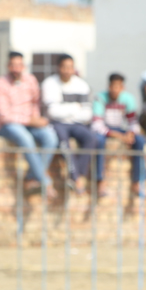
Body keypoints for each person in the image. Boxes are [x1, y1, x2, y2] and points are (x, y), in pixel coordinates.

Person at [0, 51, 59, 201]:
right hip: (8, 126)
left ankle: (32, 178)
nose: (16, 69)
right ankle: (46, 183)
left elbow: (35, 104)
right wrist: (30, 121)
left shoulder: (30, 80)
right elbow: (4, 116)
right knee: (25, 138)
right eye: (13, 65)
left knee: (50, 137)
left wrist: (36, 120)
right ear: (7, 66)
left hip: (30, 124)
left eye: (19, 65)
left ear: (24, 66)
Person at [42, 54, 97, 194]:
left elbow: (87, 114)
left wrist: (65, 109)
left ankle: (78, 176)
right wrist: (76, 107)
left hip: (77, 124)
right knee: (64, 142)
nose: (67, 71)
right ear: (58, 68)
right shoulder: (50, 84)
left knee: (91, 139)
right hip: (58, 124)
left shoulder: (82, 85)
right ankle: (76, 177)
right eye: (64, 67)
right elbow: (53, 112)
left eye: (70, 67)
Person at [92, 73, 146, 198]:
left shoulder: (128, 99)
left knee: (140, 141)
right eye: (113, 86)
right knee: (98, 141)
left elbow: (133, 122)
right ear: (109, 86)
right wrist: (120, 136)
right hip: (105, 130)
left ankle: (138, 181)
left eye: (118, 87)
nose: (115, 90)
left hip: (121, 129)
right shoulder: (100, 98)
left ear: (122, 88)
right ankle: (100, 180)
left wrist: (131, 134)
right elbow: (97, 125)